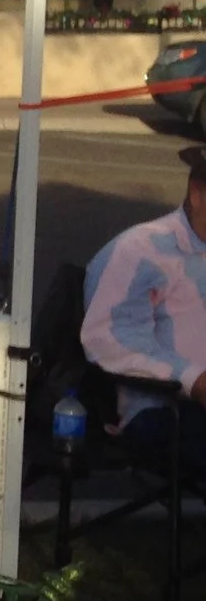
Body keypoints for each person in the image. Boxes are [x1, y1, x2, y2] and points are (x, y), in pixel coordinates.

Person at [79, 144, 206, 473]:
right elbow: (110, 337)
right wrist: (193, 379)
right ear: (197, 194)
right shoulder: (140, 250)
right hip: (166, 407)